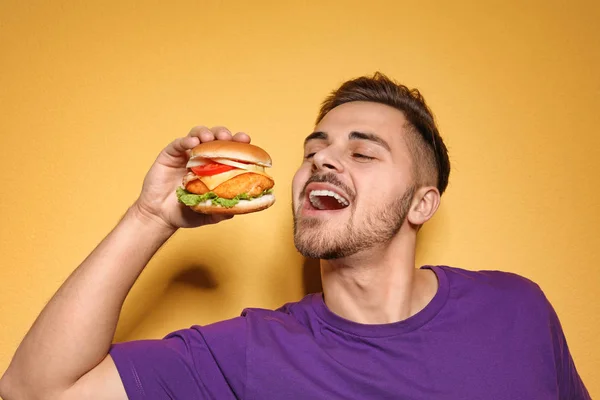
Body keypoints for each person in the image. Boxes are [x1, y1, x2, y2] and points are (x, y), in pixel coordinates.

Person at [0, 73, 590, 399]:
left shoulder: (517, 309)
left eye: (362, 151)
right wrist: (149, 217)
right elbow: (33, 394)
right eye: (315, 150)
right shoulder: (247, 354)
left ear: (421, 203)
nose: (323, 163)